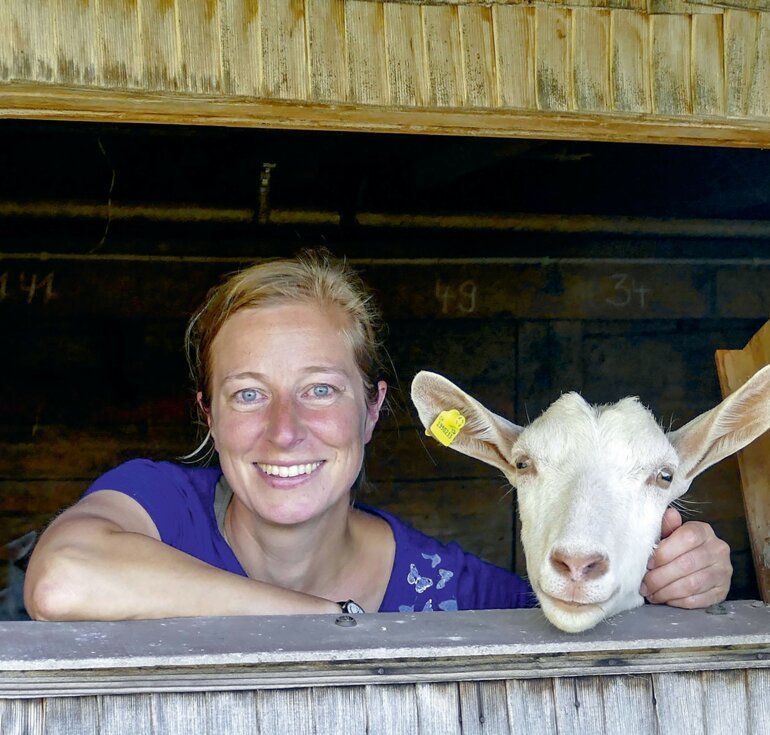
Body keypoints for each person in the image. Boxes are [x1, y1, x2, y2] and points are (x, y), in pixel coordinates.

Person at [23, 250, 732, 620]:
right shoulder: (158, 501)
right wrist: (331, 622)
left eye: (320, 390)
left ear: (371, 409)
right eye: (247, 393)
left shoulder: (454, 593)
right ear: (207, 414)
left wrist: (675, 578)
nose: (284, 429)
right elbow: (59, 579)